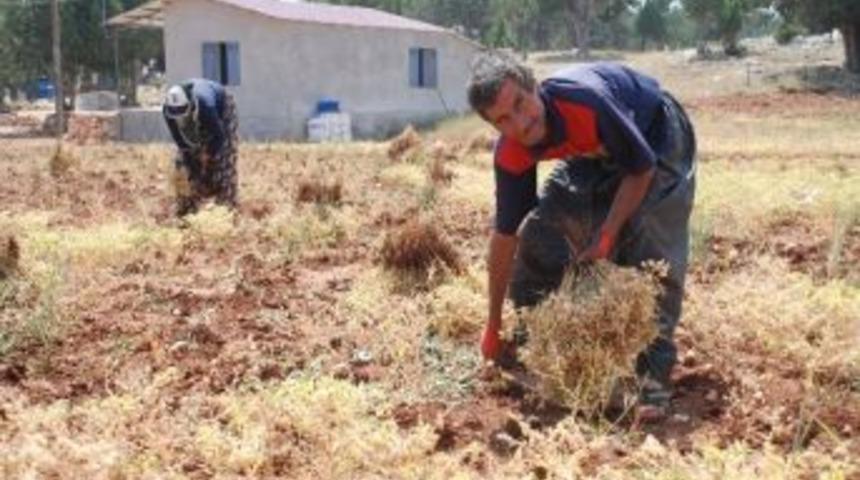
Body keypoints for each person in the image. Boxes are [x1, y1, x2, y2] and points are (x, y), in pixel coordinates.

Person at [467, 52, 696, 419]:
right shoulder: (512, 153)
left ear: (535, 88)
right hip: (591, 151)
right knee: (542, 231)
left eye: (521, 104)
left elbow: (640, 170)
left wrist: (606, 235)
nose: (521, 123)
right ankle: (538, 344)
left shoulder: (585, 102)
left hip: (654, 133)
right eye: (504, 120)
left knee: (650, 242)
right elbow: (504, 237)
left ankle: (652, 376)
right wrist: (492, 326)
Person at [162, 78, 239, 217]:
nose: (179, 117)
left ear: (190, 104)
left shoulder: (206, 105)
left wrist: (209, 157)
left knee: (223, 160)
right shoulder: (168, 112)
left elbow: (219, 136)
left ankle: (227, 209)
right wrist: (194, 168)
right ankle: (186, 210)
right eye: (176, 114)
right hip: (197, 117)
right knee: (182, 168)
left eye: (182, 111)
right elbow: (181, 143)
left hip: (221, 111)